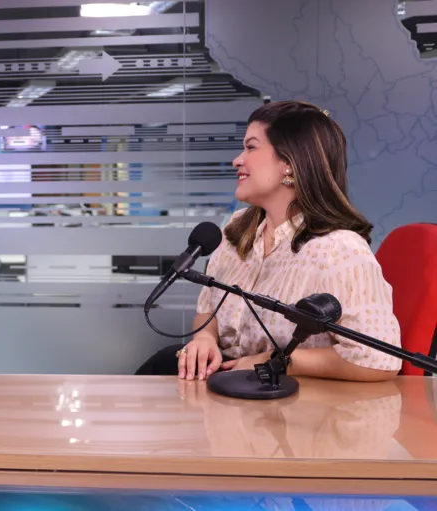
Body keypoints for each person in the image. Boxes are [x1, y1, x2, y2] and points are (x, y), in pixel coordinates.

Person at [136, 100, 402, 381]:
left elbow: (379, 360)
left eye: (251, 147)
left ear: (289, 163)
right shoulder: (238, 228)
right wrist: (205, 339)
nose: (237, 160)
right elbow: (207, 310)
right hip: (227, 389)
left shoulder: (340, 250)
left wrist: (278, 361)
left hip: (288, 406)